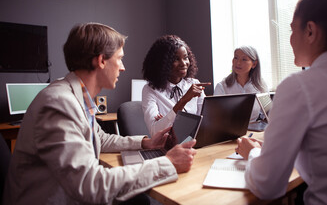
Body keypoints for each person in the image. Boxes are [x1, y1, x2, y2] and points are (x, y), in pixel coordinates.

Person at [3, 23, 197, 205]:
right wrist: (167, 163)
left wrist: (146, 142)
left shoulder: (75, 96)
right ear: (102, 60)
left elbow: (100, 139)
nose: (123, 67)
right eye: (120, 59)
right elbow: (89, 184)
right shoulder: (59, 104)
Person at [236, 0, 327, 205]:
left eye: (293, 30)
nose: (290, 39)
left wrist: (252, 153)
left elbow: (266, 185)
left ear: (310, 31)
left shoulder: (301, 86)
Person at [142, 35, 210, 137]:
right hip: (169, 147)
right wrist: (183, 100)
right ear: (162, 63)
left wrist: (167, 120)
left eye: (186, 58)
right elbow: (155, 131)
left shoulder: (194, 84)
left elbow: (205, 122)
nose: (183, 63)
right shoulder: (150, 90)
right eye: (176, 59)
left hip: (194, 142)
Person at [214, 46, 267, 122]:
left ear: (254, 64)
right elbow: (216, 117)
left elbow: (268, 114)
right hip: (229, 130)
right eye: (236, 58)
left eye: (244, 59)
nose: (238, 63)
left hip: (254, 130)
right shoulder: (221, 87)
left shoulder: (261, 86)